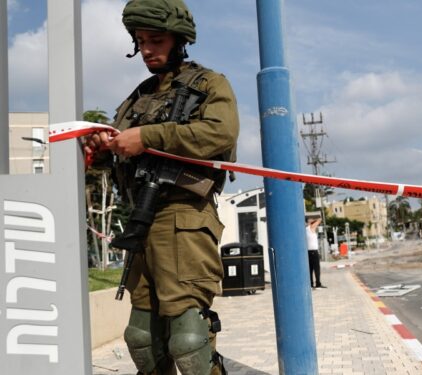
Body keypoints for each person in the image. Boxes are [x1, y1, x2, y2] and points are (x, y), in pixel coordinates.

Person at [83, 1, 239, 374]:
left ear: (180, 40)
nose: (147, 49)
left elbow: (220, 134)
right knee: (141, 339)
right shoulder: (139, 97)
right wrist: (102, 149)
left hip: (183, 217)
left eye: (156, 39)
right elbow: (122, 152)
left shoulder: (209, 85)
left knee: (188, 341)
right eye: (141, 41)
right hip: (141, 221)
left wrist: (148, 136)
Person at [306, 217, 326, 288]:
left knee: (310, 269)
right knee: (316, 268)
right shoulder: (310, 228)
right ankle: (318, 284)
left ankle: (311, 284)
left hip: (308, 252)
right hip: (314, 252)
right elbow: (320, 219)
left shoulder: (306, 230)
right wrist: (314, 220)